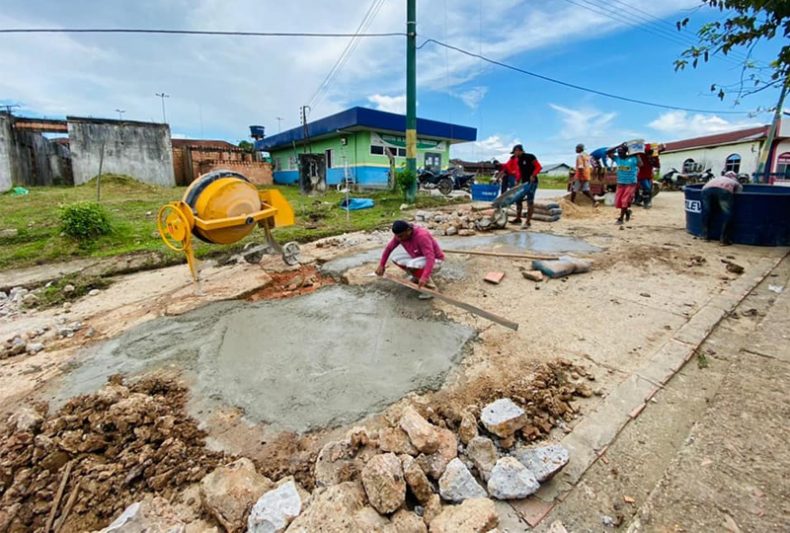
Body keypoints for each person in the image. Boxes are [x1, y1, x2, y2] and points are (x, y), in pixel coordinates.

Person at [376, 220, 445, 299]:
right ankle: (416, 277)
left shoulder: (421, 236)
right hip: (419, 258)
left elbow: (430, 257)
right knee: (396, 259)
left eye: (401, 236)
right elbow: (389, 248)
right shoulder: (400, 235)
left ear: (408, 231)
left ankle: (431, 289)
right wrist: (382, 265)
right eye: (397, 236)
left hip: (436, 260)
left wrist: (424, 277)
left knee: (412, 264)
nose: (399, 238)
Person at [701, 171, 742, 246]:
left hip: (706, 190)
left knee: (707, 211)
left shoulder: (717, 178)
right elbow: (740, 193)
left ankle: (704, 236)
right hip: (724, 190)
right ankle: (724, 239)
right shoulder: (734, 181)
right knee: (727, 214)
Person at [607, 143, 641, 224]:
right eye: (618, 152)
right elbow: (608, 152)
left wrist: (637, 154)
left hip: (631, 183)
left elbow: (640, 164)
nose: (619, 154)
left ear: (626, 152)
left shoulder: (633, 158)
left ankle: (620, 219)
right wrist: (619, 145)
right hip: (620, 183)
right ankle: (627, 212)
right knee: (618, 202)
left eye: (621, 152)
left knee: (624, 200)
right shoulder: (617, 159)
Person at [515, 144, 542, 228]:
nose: (515, 154)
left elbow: (539, 167)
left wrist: (533, 175)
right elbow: (520, 172)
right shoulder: (519, 160)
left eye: (515, 152)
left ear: (519, 150)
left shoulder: (530, 157)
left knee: (530, 201)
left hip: (532, 183)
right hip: (524, 183)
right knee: (518, 199)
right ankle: (518, 219)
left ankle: (528, 222)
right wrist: (518, 181)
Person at [635, 143, 663, 209]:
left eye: (651, 152)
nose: (650, 154)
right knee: (647, 189)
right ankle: (645, 204)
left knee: (649, 190)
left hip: (649, 176)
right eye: (648, 152)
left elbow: (657, 165)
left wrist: (656, 157)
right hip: (642, 176)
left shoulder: (654, 157)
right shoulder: (642, 156)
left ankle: (641, 201)